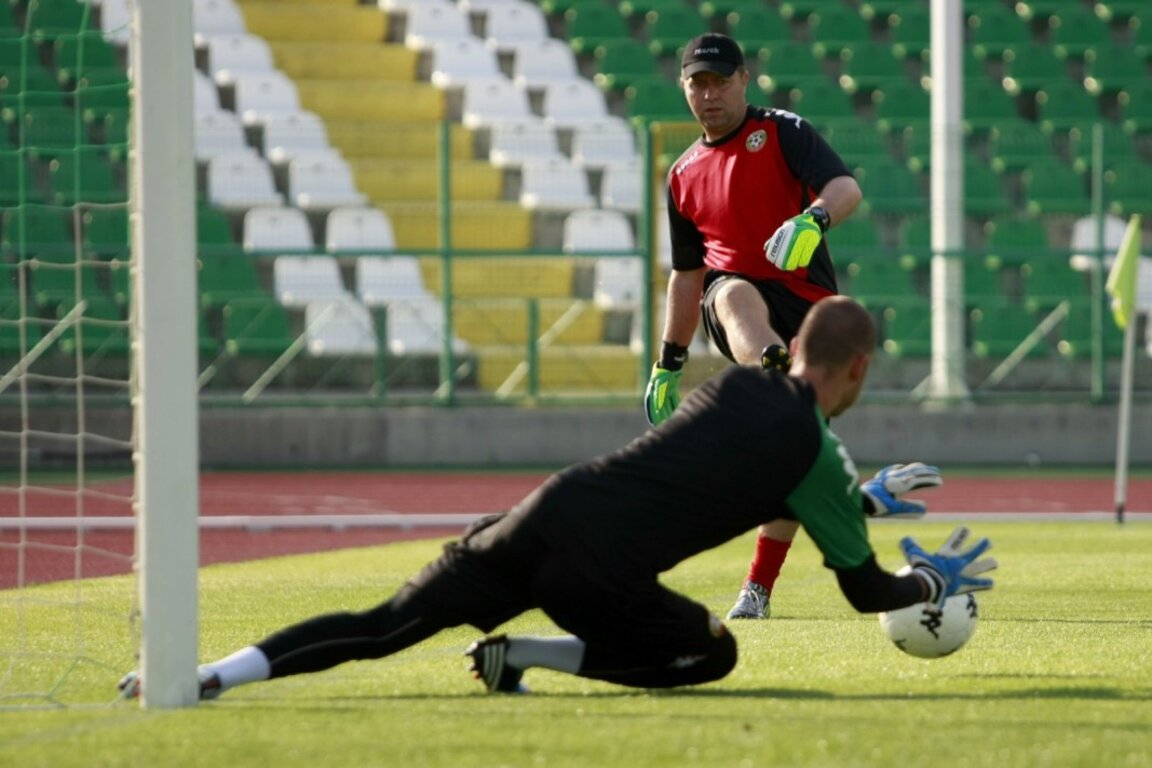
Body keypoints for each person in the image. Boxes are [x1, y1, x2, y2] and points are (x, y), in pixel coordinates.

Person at [119, 297, 996, 701]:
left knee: (382, 625)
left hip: (547, 511)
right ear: (859, 368)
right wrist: (929, 588)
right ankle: (534, 656)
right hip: (604, 579)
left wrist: (858, 497)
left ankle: (205, 676)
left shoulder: (735, 389)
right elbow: (861, 590)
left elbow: (747, 464)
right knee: (711, 656)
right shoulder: (809, 449)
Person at [644, 32, 866, 621]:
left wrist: (813, 219)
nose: (710, 93)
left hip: (810, 309)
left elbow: (846, 188)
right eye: (699, 82)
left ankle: (758, 591)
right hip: (738, 306)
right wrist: (669, 361)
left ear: (744, 80)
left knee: (792, 451)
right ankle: (771, 369)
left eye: (721, 80)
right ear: (685, 88)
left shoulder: (784, 131)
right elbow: (688, 277)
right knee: (735, 289)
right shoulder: (682, 174)